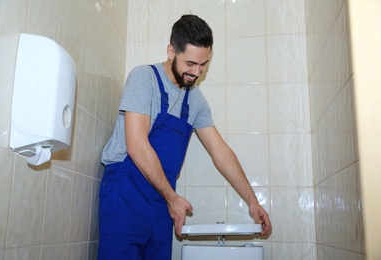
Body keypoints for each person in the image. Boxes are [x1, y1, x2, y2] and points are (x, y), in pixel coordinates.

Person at [98, 14, 271, 260]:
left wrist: (252, 201)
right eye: (190, 63)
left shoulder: (196, 101)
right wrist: (172, 198)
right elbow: (136, 145)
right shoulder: (143, 78)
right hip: (126, 194)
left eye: (203, 65)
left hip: (162, 201)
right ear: (171, 51)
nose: (196, 72)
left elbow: (220, 151)